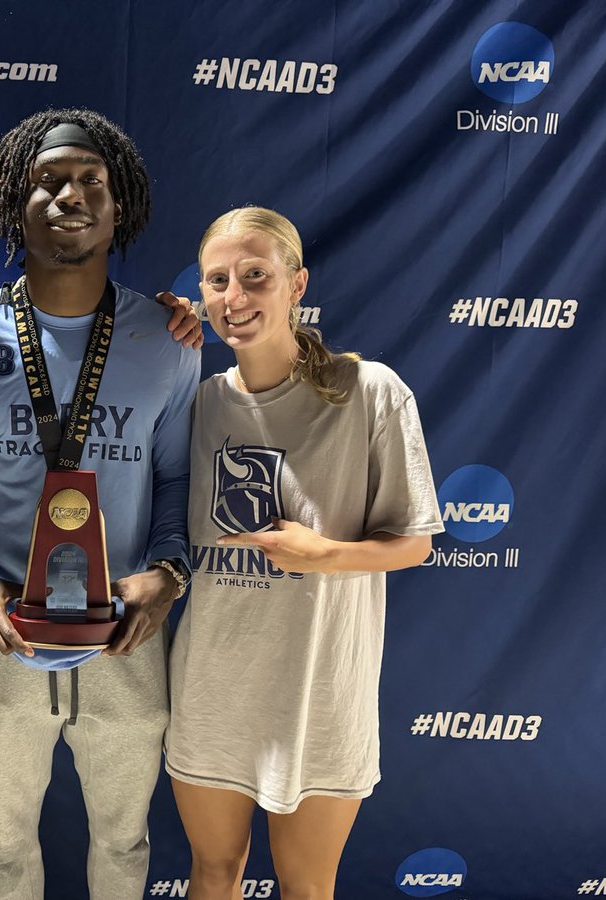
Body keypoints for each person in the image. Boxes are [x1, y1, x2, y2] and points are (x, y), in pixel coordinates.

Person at [0, 108, 201, 900]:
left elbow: (176, 478)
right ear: (17, 204)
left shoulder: (167, 340)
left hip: (126, 639)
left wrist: (170, 571)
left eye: (90, 182)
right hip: (0, 638)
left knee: (124, 842)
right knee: (4, 853)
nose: (69, 195)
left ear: (121, 210)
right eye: (47, 182)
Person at [165, 207, 444, 900]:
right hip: (211, 691)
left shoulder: (369, 392)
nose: (234, 298)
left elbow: (413, 544)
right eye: (218, 280)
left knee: (307, 886)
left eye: (255, 277)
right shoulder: (195, 404)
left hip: (320, 697)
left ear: (296, 284)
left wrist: (324, 555)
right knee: (212, 872)